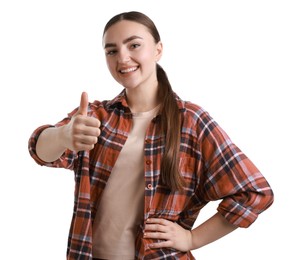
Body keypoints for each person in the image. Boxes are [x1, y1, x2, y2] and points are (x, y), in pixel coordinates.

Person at [28, 11, 274, 260]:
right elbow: (39, 150)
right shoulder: (95, 116)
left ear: (157, 50)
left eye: (134, 45)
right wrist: (62, 136)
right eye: (111, 51)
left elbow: (255, 192)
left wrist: (193, 238)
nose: (123, 58)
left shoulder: (191, 121)